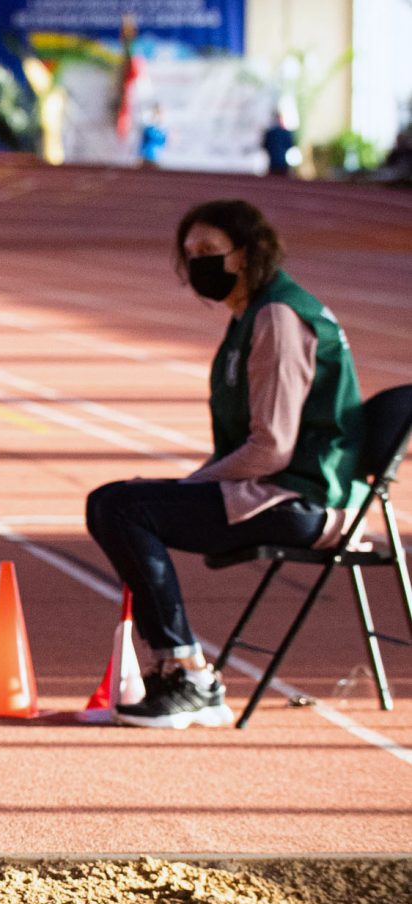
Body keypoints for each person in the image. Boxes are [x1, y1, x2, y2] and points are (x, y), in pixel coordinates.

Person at [86, 200, 367, 729]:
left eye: (211, 252)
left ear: (248, 253)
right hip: (277, 490)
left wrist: (188, 485)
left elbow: (273, 448)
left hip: (304, 500)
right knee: (116, 501)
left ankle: (190, 674)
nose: (198, 265)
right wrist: (184, 487)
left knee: (122, 508)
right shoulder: (253, 316)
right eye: (189, 254)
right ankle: (180, 667)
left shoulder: (279, 317)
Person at [262, 113, 297, 178]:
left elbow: (264, 146)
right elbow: (290, 145)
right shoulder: (285, 133)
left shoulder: (269, 133)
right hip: (282, 162)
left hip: (273, 163)